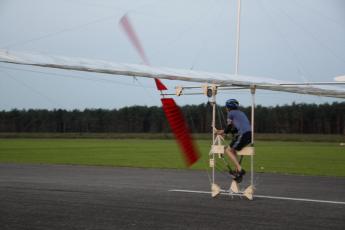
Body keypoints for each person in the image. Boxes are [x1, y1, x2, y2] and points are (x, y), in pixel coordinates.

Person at [216, 99, 252, 183]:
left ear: (229, 107)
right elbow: (235, 129)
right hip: (249, 135)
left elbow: (229, 128)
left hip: (243, 134)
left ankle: (239, 169)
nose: (226, 108)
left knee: (227, 150)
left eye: (226, 107)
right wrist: (223, 131)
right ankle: (237, 171)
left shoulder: (230, 113)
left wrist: (223, 132)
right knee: (233, 150)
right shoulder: (241, 113)